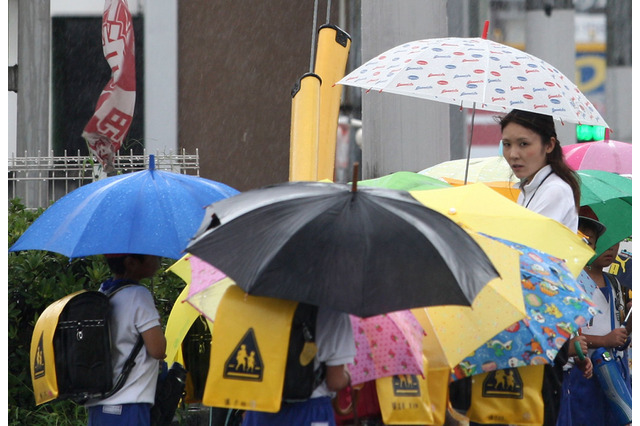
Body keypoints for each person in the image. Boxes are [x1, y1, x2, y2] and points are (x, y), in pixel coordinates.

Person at [557, 215, 632, 425]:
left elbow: (620, 338)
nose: (612, 248)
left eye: (616, 243)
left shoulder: (615, 285)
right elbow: (566, 338)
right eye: (583, 240)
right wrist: (603, 341)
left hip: (614, 375)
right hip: (583, 375)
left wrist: (631, 321)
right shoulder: (569, 281)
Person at [85, 254, 167, 426]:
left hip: (99, 404)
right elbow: (158, 350)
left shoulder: (104, 292)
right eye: (153, 256)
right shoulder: (139, 295)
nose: (158, 260)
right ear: (131, 263)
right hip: (129, 403)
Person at [242, 306, 356, 426]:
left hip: (262, 407)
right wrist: (347, 375)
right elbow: (335, 382)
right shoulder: (333, 312)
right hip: (312, 410)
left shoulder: (261, 303)